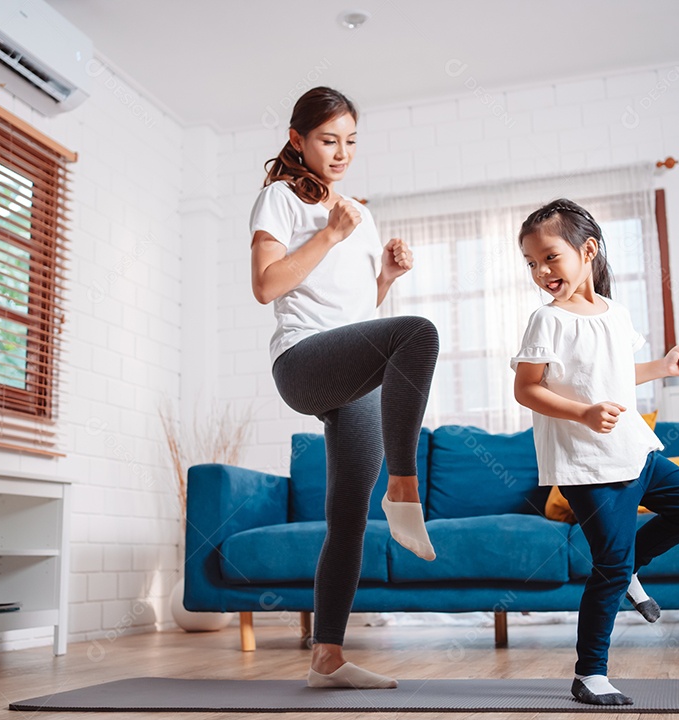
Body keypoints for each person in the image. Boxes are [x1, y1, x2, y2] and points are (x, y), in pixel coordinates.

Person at [250, 86, 439, 690]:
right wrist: (329, 234)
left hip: (344, 363)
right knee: (420, 334)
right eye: (329, 140)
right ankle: (404, 489)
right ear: (297, 139)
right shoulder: (279, 199)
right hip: (302, 362)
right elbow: (266, 285)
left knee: (347, 517)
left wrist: (385, 274)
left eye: (350, 141)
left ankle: (327, 658)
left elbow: (356, 314)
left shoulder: (358, 211)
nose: (341, 152)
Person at [510, 199, 679, 706]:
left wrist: (663, 367)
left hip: (634, 450)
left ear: (589, 250)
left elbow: (617, 375)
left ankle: (631, 573)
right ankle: (590, 675)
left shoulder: (615, 313)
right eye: (532, 263)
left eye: (550, 258)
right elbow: (526, 389)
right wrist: (581, 413)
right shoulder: (547, 320)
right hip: (589, 466)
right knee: (610, 562)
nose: (542, 272)